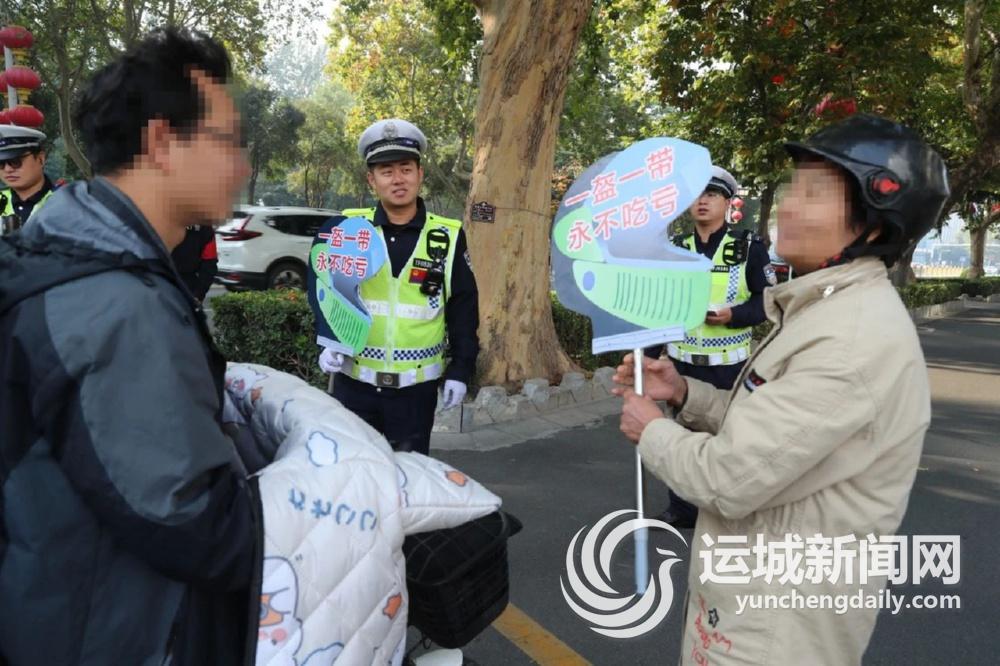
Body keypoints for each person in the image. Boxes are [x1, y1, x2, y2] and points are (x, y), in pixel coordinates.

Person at [615, 114, 949, 665]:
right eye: (793, 188)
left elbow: (727, 478)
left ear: (873, 226)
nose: (789, 206)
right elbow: (770, 431)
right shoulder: (825, 311)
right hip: (746, 604)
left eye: (814, 194)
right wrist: (683, 394)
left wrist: (650, 429)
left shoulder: (850, 340)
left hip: (773, 630)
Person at [0, 28, 262, 665]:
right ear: (163, 142)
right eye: (228, 141)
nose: (242, 166)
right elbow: (196, 525)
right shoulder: (115, 304)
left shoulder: (75, 251)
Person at [307, 118, 479, 455]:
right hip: (354, 387)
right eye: (386, 171)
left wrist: (460, 369)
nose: (398, 179)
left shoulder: (447, 236)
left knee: (407, 478)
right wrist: (325, 341)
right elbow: (324, 290)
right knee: (355, 474)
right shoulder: (349, 230)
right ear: (371, 180)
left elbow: (463, 308)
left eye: (405, 169)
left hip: (415, 394)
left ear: (420, 174)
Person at [650, 165, 773, 528]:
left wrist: (734, 314)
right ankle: (682, 508)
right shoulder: (674, 250)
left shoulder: (748, 248)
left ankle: (729, 504)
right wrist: (644, 360)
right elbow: (660, 310)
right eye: (696, 195)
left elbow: (767, 303)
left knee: (730, 437)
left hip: (729, 367)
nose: (702, 201)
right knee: (679, 437)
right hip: (683, 363)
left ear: (727, 202)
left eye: (712, 195)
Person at [0, 125, 58, 231]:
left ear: (40, 159)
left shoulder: (67, 203)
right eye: (1, 163)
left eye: (15, 161)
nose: (8, 169)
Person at [172, 223, 219, 300]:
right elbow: (210, 264)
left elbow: (210, 263)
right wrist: (198, 294)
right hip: (188, 288)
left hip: (160, 284)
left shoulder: (159, 220)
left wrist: (199, 293)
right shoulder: (204, 226)